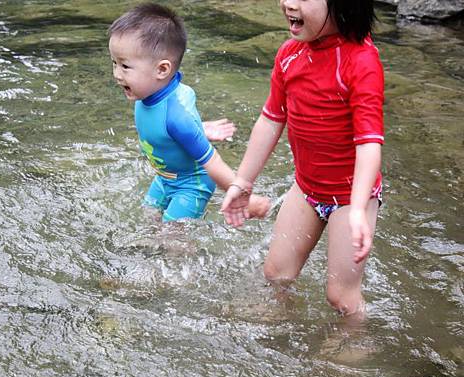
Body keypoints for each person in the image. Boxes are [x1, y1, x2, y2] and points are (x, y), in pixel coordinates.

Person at [221, 0, 384, 320]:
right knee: (276, 273)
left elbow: (369, 144)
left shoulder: (360, 61)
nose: (287, 3)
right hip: (307, 190)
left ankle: (354, 341)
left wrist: (358, 209)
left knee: (341, 297)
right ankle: (283, 323)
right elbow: (270, 120)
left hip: (351, 199)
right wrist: (242, 182)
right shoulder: (290, 54)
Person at [108, 3, 269, 222]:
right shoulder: (146, 93)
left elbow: (212, 162)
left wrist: (244, 197)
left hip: (192, 184)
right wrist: (199, 128)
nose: (116, 74)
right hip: (166, 178)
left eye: (125, 66)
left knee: (172, 236)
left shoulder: (176, 117)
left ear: (162, 69)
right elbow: (159, 129)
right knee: (146, 219)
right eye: (114, 63)